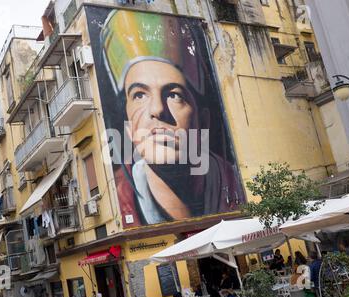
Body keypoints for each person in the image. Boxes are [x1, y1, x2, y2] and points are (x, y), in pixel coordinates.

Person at [99, 9, 245, 227]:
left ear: (203, 122)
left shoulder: (233, 183)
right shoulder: (120, 195)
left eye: (175, 95)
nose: (157, 109)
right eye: (139, 95)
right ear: (128, 129)